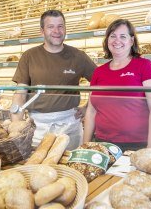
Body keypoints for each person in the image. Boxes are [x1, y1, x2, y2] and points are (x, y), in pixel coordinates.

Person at [11, 9, 97, 150]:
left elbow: (100, 82)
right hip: (38, 127)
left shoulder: (78, 56)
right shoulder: (29, 56)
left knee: (69, 169)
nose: (56, 31)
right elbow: (20, 94)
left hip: (70, 126)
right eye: (51, 27)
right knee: (38, 168)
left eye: (60, 26)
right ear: (42, 31)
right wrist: (16, 128)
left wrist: (87, 106)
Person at [83, 19, 151, 151]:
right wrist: (85, 144)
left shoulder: (145, 66)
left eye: (123, 36)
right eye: (112, 36)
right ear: (107, 40)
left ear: (131, 41)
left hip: (137, 145)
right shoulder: (99, 72)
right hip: (102, 144)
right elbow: (91, 111)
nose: (117, 40)